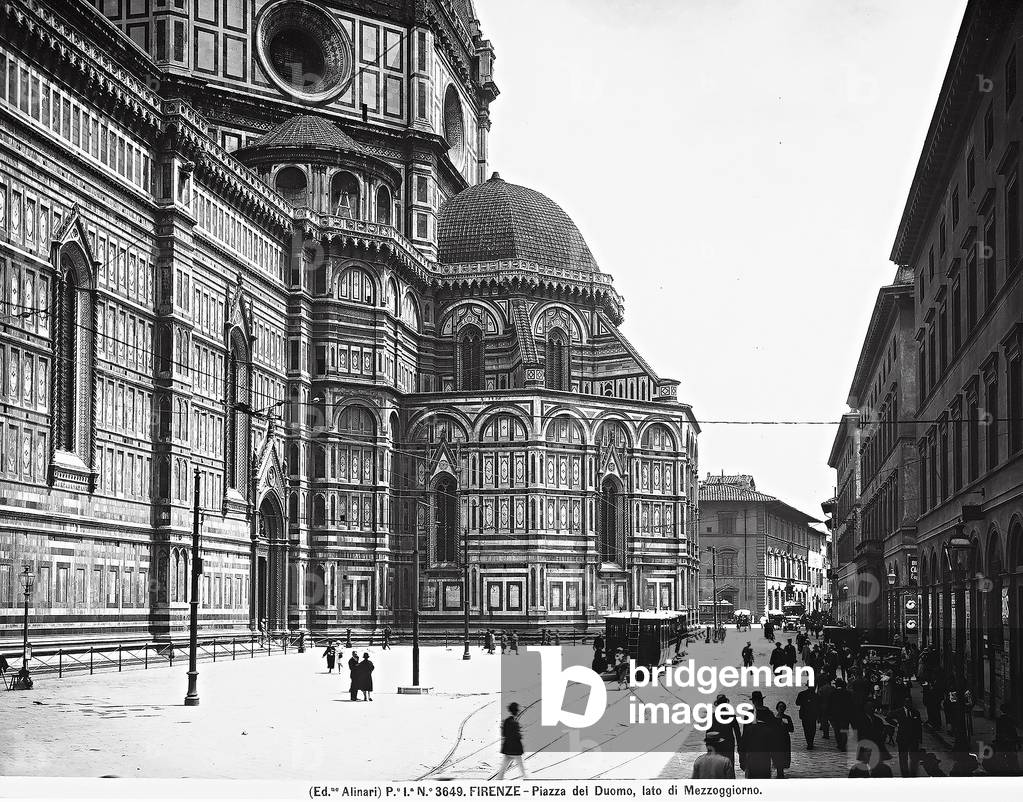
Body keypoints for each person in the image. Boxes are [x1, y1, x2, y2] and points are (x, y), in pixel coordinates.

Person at [889, 697, 923, 777]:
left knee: (914, 758)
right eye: (907, 703)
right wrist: (896, 724)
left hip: (913, 738)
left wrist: (920, 739)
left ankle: (913, 774)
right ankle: (904, 774)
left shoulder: (916, 712)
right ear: (904, 703)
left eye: (910, 703)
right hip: (902, 738)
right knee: (903, 758)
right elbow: (888, 717)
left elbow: (919, 726)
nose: (909, 704)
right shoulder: (899, 712)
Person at [738, 707, 775, 779]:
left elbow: (742, 746)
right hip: (765, 761)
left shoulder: (749, 729)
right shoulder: (769, 731)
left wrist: (742, 761)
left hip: (751, 761)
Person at [497, 703, 528, 780]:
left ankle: (498, 780)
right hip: (515, 749)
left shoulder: (506, 721)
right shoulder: (515, 723)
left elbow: (504, 734)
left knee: (503, 767)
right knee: (521, 767)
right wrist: (520, 734)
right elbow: (516, 736)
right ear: (516, 712)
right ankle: (526, 779)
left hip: (507, 748)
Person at [711, 694, 742, 766]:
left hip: (717, 746)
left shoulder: (713, 717)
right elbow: (738, 734)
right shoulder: (731, 716)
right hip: (729, 746)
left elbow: (709, 734)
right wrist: (740, 749)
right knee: (729, 767)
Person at [990, 703, 1021, 775]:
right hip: (1010, 743)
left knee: (1001, 760)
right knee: (1013, 760)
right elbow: (1013, 732)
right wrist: (1017, 742)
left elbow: (998, 733)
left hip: (1001, 743)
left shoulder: (999, 720)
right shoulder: (1011, 720)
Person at [828, 678, 853, 751]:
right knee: (844, 730)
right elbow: (851, 704)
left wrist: (829, 714)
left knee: (837, 730)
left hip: (835, 715)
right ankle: (843, 744)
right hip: (845, 715)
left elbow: (830, 704)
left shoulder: (833, 693)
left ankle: (839, 744)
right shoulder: (847, 693)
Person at [772, 701, 794, 778]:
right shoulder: (774, 718)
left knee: (784, 755)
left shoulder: (787, 718)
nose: (781, 708)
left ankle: (781, 770)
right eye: (780, 707)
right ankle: (779, 771)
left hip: (785, 739)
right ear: (777, 708)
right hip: (776, 739)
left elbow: (791, 729)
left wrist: (785, 725)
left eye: (783, 707)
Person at [795, 684, 819, 749]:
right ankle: (811, 741)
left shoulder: (802, 694)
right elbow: (818, 706)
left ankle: (809, 742)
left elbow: (797, 703)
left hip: (804, 714)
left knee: (806, 729)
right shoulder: (816, 695)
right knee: (812, 728)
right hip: (813, 714)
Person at [816, 675, 833, 740]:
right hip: (831, 707)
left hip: (823, 706)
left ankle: (826, 734)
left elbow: (818, 698)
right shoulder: (832, 688)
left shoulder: (821, 689)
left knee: (824, 720)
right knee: (832, 720)